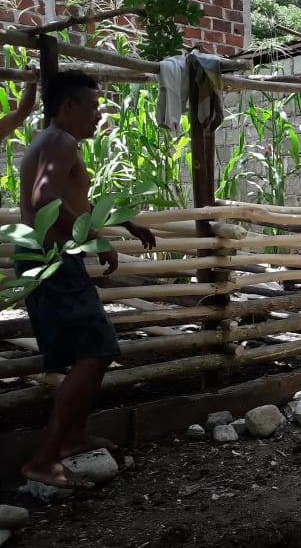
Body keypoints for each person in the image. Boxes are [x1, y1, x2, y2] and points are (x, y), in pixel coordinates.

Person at [17, 70, 155, 489]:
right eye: (93, 107)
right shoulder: (59, 140)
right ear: (69, 106)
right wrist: (93, 239)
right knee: (97, 350)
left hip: (43, 256)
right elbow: (46, 199)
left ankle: (72, 438)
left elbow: (75, 197)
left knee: (89, 352)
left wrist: (126, 223)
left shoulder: (54, 143)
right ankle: (43, 458)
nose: (99, 115)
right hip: (53, 257)